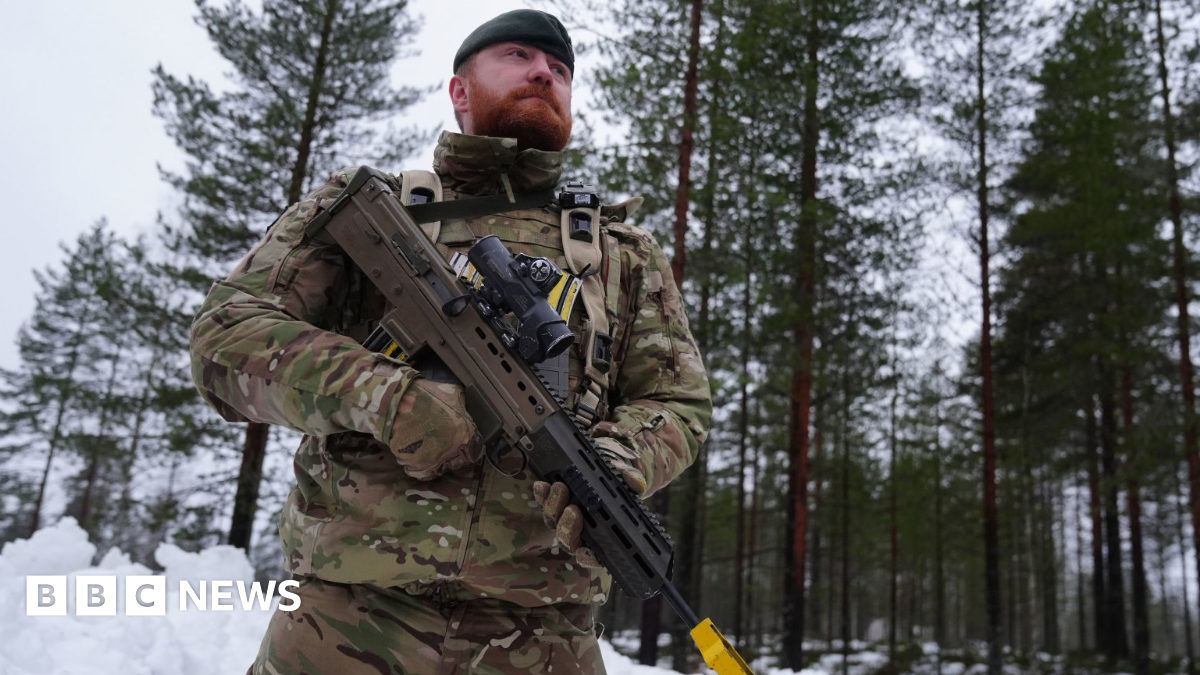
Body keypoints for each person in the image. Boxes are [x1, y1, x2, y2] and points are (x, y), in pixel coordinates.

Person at [189, 9, 711, 675]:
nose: (543, 73)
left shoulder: (621, 252)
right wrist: (385, 396)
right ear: (459, 90)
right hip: (345, 620)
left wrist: (620, 456)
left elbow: (678, 401)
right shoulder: (370, 211)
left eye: (559, 70)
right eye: (518, 55)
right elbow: (226, 337)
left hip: (546, 636)